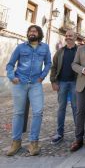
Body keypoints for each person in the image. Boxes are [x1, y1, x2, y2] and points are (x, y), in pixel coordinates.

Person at [6, 25, 51, 156]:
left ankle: (34, 143)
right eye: (30, 31)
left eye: (34, 31)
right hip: (20, 83)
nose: (32, 33)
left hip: (36, 83)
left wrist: (42, 76)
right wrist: (12, 77)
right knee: (18, 113)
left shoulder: (45, 47)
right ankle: (16, 142)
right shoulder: (20, 47)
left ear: (39, 33)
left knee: (38, 112)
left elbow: (48, 63)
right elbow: (10, 64)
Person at [50, 30, 78, 144]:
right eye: (66, 36)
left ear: (75, 37)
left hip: (75, 83)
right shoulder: (60, 51)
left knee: (76, 108)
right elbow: (54, 67)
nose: (68, 37)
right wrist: (53, 81)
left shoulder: (80, 50)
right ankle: (59, 133)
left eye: (70, 35)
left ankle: (79, 134)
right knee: (61, 108)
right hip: (61, 83)